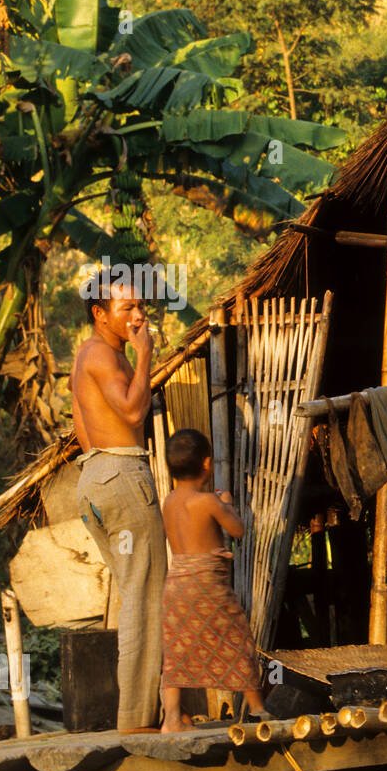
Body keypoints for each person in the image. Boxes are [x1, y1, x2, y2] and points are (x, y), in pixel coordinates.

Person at [71, 271, 167, 732]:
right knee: (146, 601)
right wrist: (145, 355)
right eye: (127, 308)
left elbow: (81, 429)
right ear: (100, 313)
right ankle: (136, 720)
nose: (139, 315)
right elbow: (131, 411)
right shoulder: (105, 355)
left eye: (140, 306)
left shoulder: (85, 357)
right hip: (123, 472)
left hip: (93, 474)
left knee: (134, 596)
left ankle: (134, 714)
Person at [159, 428, 268, 732]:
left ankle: (171, 719)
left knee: (176, 648)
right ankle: (258, 708)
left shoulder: (168, 502)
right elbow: (238, 530)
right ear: (207, 464)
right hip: (207, 583)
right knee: (238, 638)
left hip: (177, 583)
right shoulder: (208, 502)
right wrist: (228, 503)